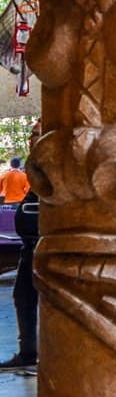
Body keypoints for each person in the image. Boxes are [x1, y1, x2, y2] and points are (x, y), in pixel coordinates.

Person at [0, 121, 41, 372]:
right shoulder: (33, 169)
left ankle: (48, 356)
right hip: (29, 246)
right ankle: (28, 352)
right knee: (23, 296)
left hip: (46, 247)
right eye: (31, 134)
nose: (31, 138)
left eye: (37, 134)